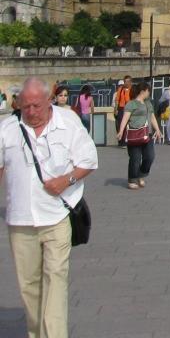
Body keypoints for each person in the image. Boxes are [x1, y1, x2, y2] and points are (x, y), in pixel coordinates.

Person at [0, 76, 99, 338]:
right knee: (29, 288)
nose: (31, 112)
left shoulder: (68, 122)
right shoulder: (7, 128)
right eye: (26, 106)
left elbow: (89, 160)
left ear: (49, 100)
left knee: (55, 280)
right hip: (21, 222)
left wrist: (67, 180)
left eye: (37, 106)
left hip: (57, 217)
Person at [116, 81, 162, 190]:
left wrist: (158, 130)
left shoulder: (148, 103)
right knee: (135, 158)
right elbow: (125, 118)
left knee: (150, 157)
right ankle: (132, 179)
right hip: (134, 134)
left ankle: (141, 174)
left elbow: (152, 117)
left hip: (147, 134)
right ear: (143, 91)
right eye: (148, 91)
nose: (149, 93)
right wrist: (121, 131)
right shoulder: (131, 104)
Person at [112, 77, 132, 145]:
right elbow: (117, 100)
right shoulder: (120, 90)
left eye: (128, 81)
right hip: (121, 109)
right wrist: (116, 109)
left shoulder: (131, 89)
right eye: (125, 81)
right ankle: (122, 141)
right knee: (121, 125)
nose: (126, 83)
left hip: (129, 109)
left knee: (128, 125)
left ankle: (127, 140)